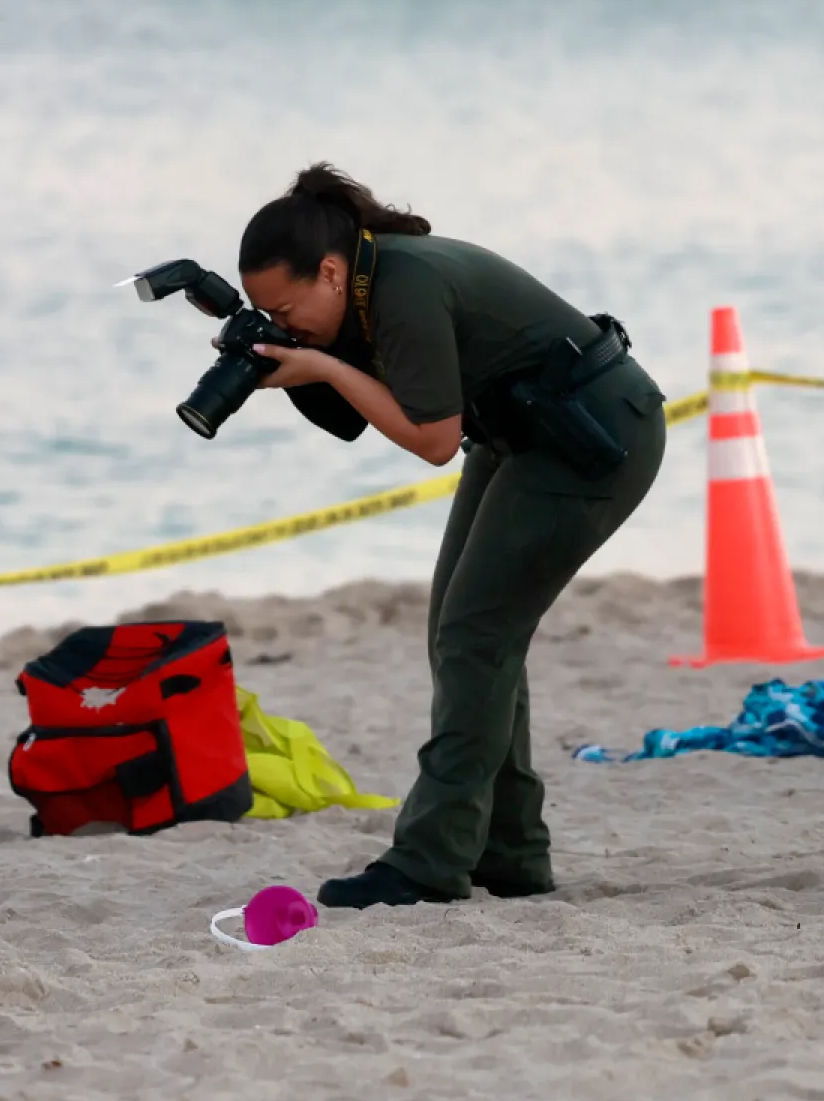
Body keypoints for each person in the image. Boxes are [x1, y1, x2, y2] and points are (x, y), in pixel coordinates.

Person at [230, 164, 667, 910]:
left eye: (286, 306)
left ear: (331, 272)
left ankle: (430, 862)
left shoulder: (403, 286)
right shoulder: (366, 286)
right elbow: (377, 411)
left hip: (593, 438)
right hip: (518, 434)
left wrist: (326, 366)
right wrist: (303, 363)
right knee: (460, 633)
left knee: (476, 634)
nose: (284, 322)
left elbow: (432, 439)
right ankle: (511, 852)